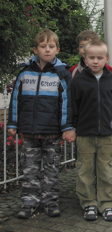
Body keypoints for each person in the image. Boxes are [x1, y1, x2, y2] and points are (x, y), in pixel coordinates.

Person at [7, 29, 75, 219]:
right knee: (30, 169)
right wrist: (13, 123)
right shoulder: (24, 73)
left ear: (57, 49)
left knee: (51, 169)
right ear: (35, 49)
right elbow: (15, 101)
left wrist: (67, 127)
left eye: (51, 46)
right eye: (43, 46)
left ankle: (50, 202)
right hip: (28, 132)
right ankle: (29, 202)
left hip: (52, 132)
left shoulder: (62, 74)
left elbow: (67, 103)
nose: (47, 50)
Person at [71, 39, 112, 222]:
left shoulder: (111, 78)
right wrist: (73, 128)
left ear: (106, 58)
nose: (96, 61)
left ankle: (107, 204)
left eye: (100, 57)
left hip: (106, 133)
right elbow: (74, 106)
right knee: (85, 169)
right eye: (91, 57)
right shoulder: (79, 80)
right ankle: (88, 203)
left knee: (106, 169)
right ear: (85, 58)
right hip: (85, 133)